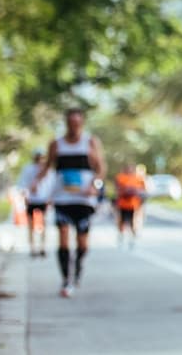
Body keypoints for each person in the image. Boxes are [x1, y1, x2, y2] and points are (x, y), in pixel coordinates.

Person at [35, 106, 105, 298]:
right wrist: (35, 182)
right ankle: (67, 279)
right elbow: (47, 166)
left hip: (84, 200)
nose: (74, 126)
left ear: (81, 123)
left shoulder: (90, 142)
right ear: (66, 123)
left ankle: (78, 264)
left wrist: (95, 185)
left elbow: (100, 169)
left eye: (77, 123)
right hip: (62, 199)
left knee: (82, 244)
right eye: (70, 123)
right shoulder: (56, 144)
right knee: (63, 235)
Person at [17, 149, 53, 257]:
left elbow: (51, 185)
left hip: (43, 200)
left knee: (44, 224)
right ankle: (32, 248)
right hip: (31, 200)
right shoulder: (28, 169)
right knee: (31, 226)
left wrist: (50, 198)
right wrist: (25, 196)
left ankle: (42, 247)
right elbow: (22, 183)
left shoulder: (47, 170)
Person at [113, 162, 147, 248]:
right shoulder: (121, 177)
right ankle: (121, 236)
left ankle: (132, 238)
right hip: (123, 204)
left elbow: (143, 191)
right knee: (122, 222)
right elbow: (117, 189)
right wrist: (125, 191)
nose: (130, 170)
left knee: (133, 222)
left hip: (133, 205)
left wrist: (136, 192)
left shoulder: (138, 179)